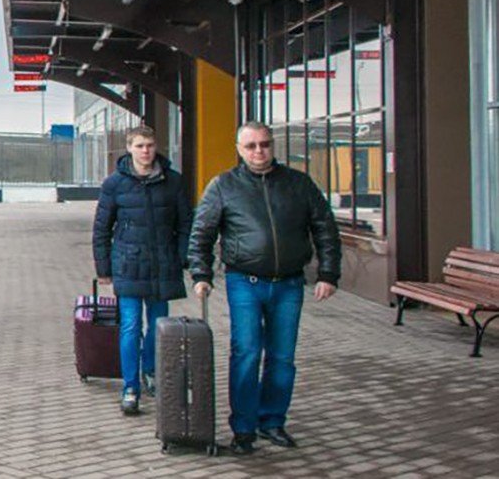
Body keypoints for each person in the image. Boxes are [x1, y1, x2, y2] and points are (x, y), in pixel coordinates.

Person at [188, 121, 341, 455]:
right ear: (240, 149)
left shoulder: (299, 184)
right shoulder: (224, 186)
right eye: (251, 146)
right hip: (245, 282)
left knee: (282, 357)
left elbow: (325, 228)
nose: (259, 151)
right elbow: (201, 234)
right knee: (246, 353)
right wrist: (201, 275)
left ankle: (272, 421)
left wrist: (328, 274)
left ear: (273, 145)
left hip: (289, 284)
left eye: (265, 144)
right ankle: (243, 428)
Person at [92, 125, 191, 416]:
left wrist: (182, 257)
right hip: (128, 264)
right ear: (129, 149)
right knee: (131, 326)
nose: (145, 151)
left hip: (162, 264)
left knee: (159, 326)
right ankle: (130, 387)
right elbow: (101, 228)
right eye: (139, 146)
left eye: (149, 145)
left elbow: (186, 223)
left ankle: (151, 370)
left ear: (156, 146)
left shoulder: (172, 181)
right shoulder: (114, 184)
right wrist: (104, 267)